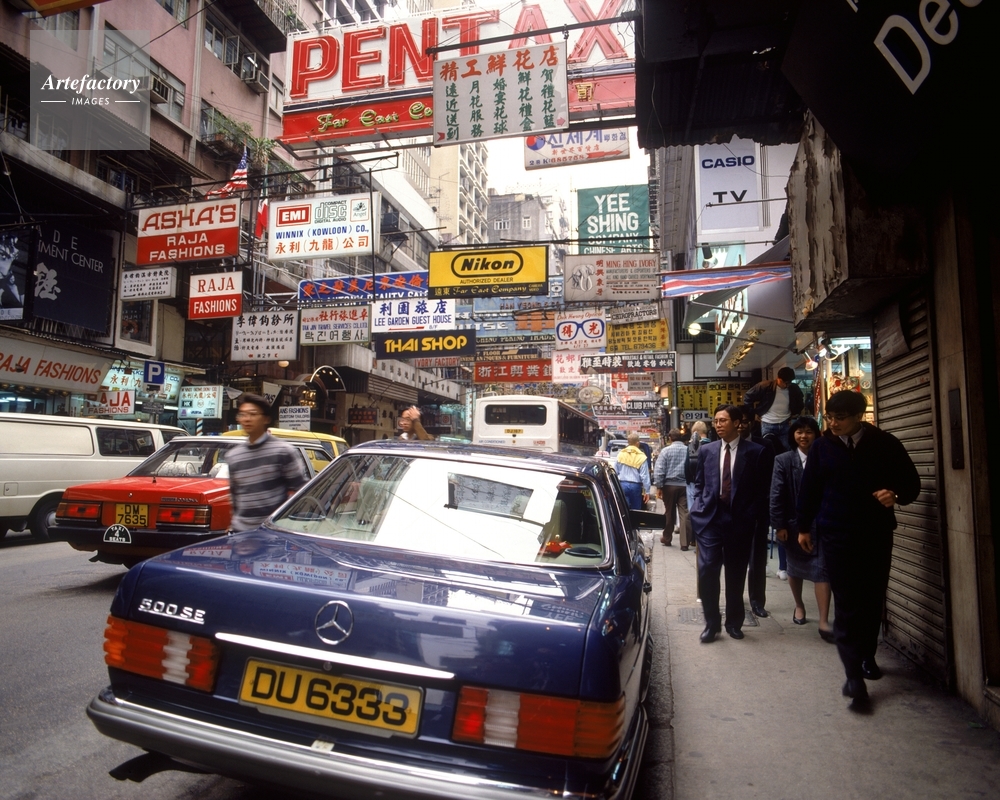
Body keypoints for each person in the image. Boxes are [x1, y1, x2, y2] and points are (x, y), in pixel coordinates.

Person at [797, 390, 920, 708]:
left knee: (871, 596)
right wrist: (803, 527)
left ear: (858, 417)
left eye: (840, 418)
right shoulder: (823, 447)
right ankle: (853, 676)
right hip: (836, 534)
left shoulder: (885, 443)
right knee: (847, 602)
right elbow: (810, 489)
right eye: (829, 417)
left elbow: (912, 483)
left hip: (875, 533)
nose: (833, 423)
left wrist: (895, 495)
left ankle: (867, 654)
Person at [690, 405, 773, 642]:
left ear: (737, 423)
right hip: (710, 519)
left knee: (735, 573)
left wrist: (752, 515)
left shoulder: (756, 452)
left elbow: (763, 490)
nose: (718, 425)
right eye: (716, 421)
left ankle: (734, 623)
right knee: (707, 569)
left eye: (723, 420)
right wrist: (698, 507)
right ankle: (711, 623)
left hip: (740, 521)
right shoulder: (707, 450)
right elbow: (699, 483)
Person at [770, 416, 833, 641]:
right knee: (794, 569)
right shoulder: (783, 460)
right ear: (793, 435)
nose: (803, 436)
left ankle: (824, 620)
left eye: (808, 432)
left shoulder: (825, 457)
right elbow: (776, 494)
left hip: (822, 525)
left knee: (822, 571)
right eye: (799, 432)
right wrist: (779, 525)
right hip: (793, 525)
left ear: (816, 434)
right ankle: (799, 605)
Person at [227, 394, 308, 532]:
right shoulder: (234, 455)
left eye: (253, 414)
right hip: (241, 532)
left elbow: (301, 491)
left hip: (272, 533)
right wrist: (233, 524)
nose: (247, 419)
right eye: (242, 414)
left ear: (266, 419)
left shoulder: (283, 451)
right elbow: (235, 495)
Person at [740, 408, 776, 619]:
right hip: (732, 512)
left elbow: (770, 478)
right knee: (734, 559)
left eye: (746, 421)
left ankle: (757, 601)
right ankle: (735, 598)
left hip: (757, 511)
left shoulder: (765, 445)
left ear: (752, 423)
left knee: (757, 558)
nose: (742, 425)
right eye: (738, 421)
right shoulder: (722, 446)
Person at [743, 366, 804, 453]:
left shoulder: (793, 388)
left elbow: (800, 401)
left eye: (789, 383)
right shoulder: (765, 386)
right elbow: (747, 397)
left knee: (789, 450)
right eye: (785, 382)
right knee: (768, 450)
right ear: (778, 378)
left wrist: (796, 413)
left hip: (785, 423)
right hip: (767, 423)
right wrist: (753, 414)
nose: (787, 385)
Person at [653, 429, 691, 549]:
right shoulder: (687, 450)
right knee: (684, 513)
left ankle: (667, 538)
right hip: (684, 486)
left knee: (669, 512)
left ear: (670, 438)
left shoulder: (666, 451)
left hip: (669, 486)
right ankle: (685, 543)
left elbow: (659, 469)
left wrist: (659, 486)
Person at [615, 432, 651, 511]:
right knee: (635, 511)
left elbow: (615, 472)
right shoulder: (641, 456)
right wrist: (647, 491)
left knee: (623, 510)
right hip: (635, 487)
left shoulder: (620, 454)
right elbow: (644, 476)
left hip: (622, 485)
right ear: (637, 443)